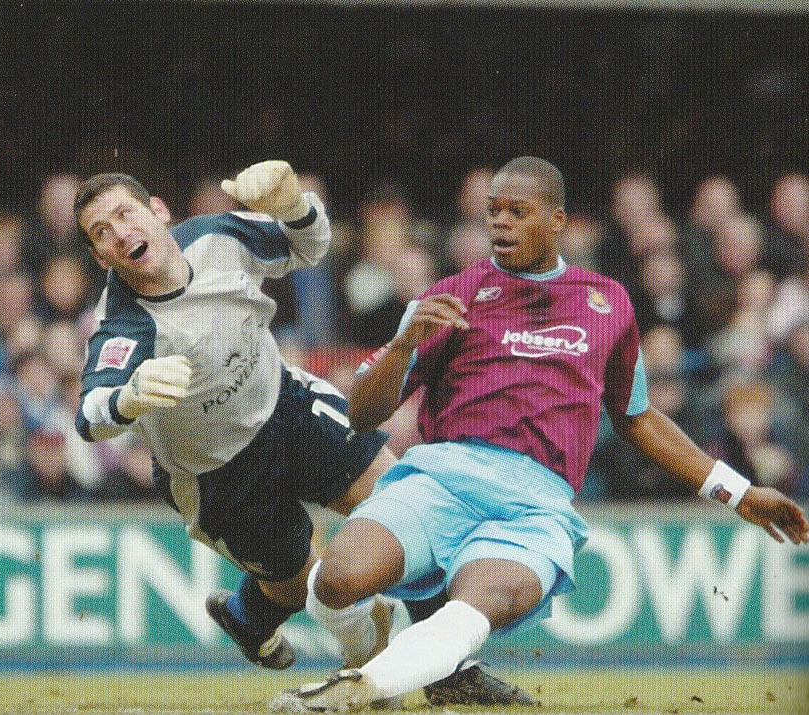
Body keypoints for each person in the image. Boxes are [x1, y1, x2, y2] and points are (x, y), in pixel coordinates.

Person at [277, 157, 808, 713]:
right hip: (439, 481)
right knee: (335, 581)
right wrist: (407, 343)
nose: (500, 224)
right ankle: (372, 652)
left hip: (533, 505)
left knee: (472, 612)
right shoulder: (453, 294)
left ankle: (355, 692)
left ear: (556, 221)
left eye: (517, 212)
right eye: (493, 213)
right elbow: (362, 414)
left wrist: (739, 492)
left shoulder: (607, 302)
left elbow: (639, 418)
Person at [71, 161, 526, 707]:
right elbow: (90, 413)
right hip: (220, 475)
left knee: (401, 509)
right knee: (301, 582)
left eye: (125, 214)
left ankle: (452, 671)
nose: (120, 233)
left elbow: (309, 246)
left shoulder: (218, 236)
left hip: (287, 407)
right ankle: (252, 615)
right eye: (102, 233)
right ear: (101, 257)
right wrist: (127, 399)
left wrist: (295, 204)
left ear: (158, 211)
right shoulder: (127, 321)